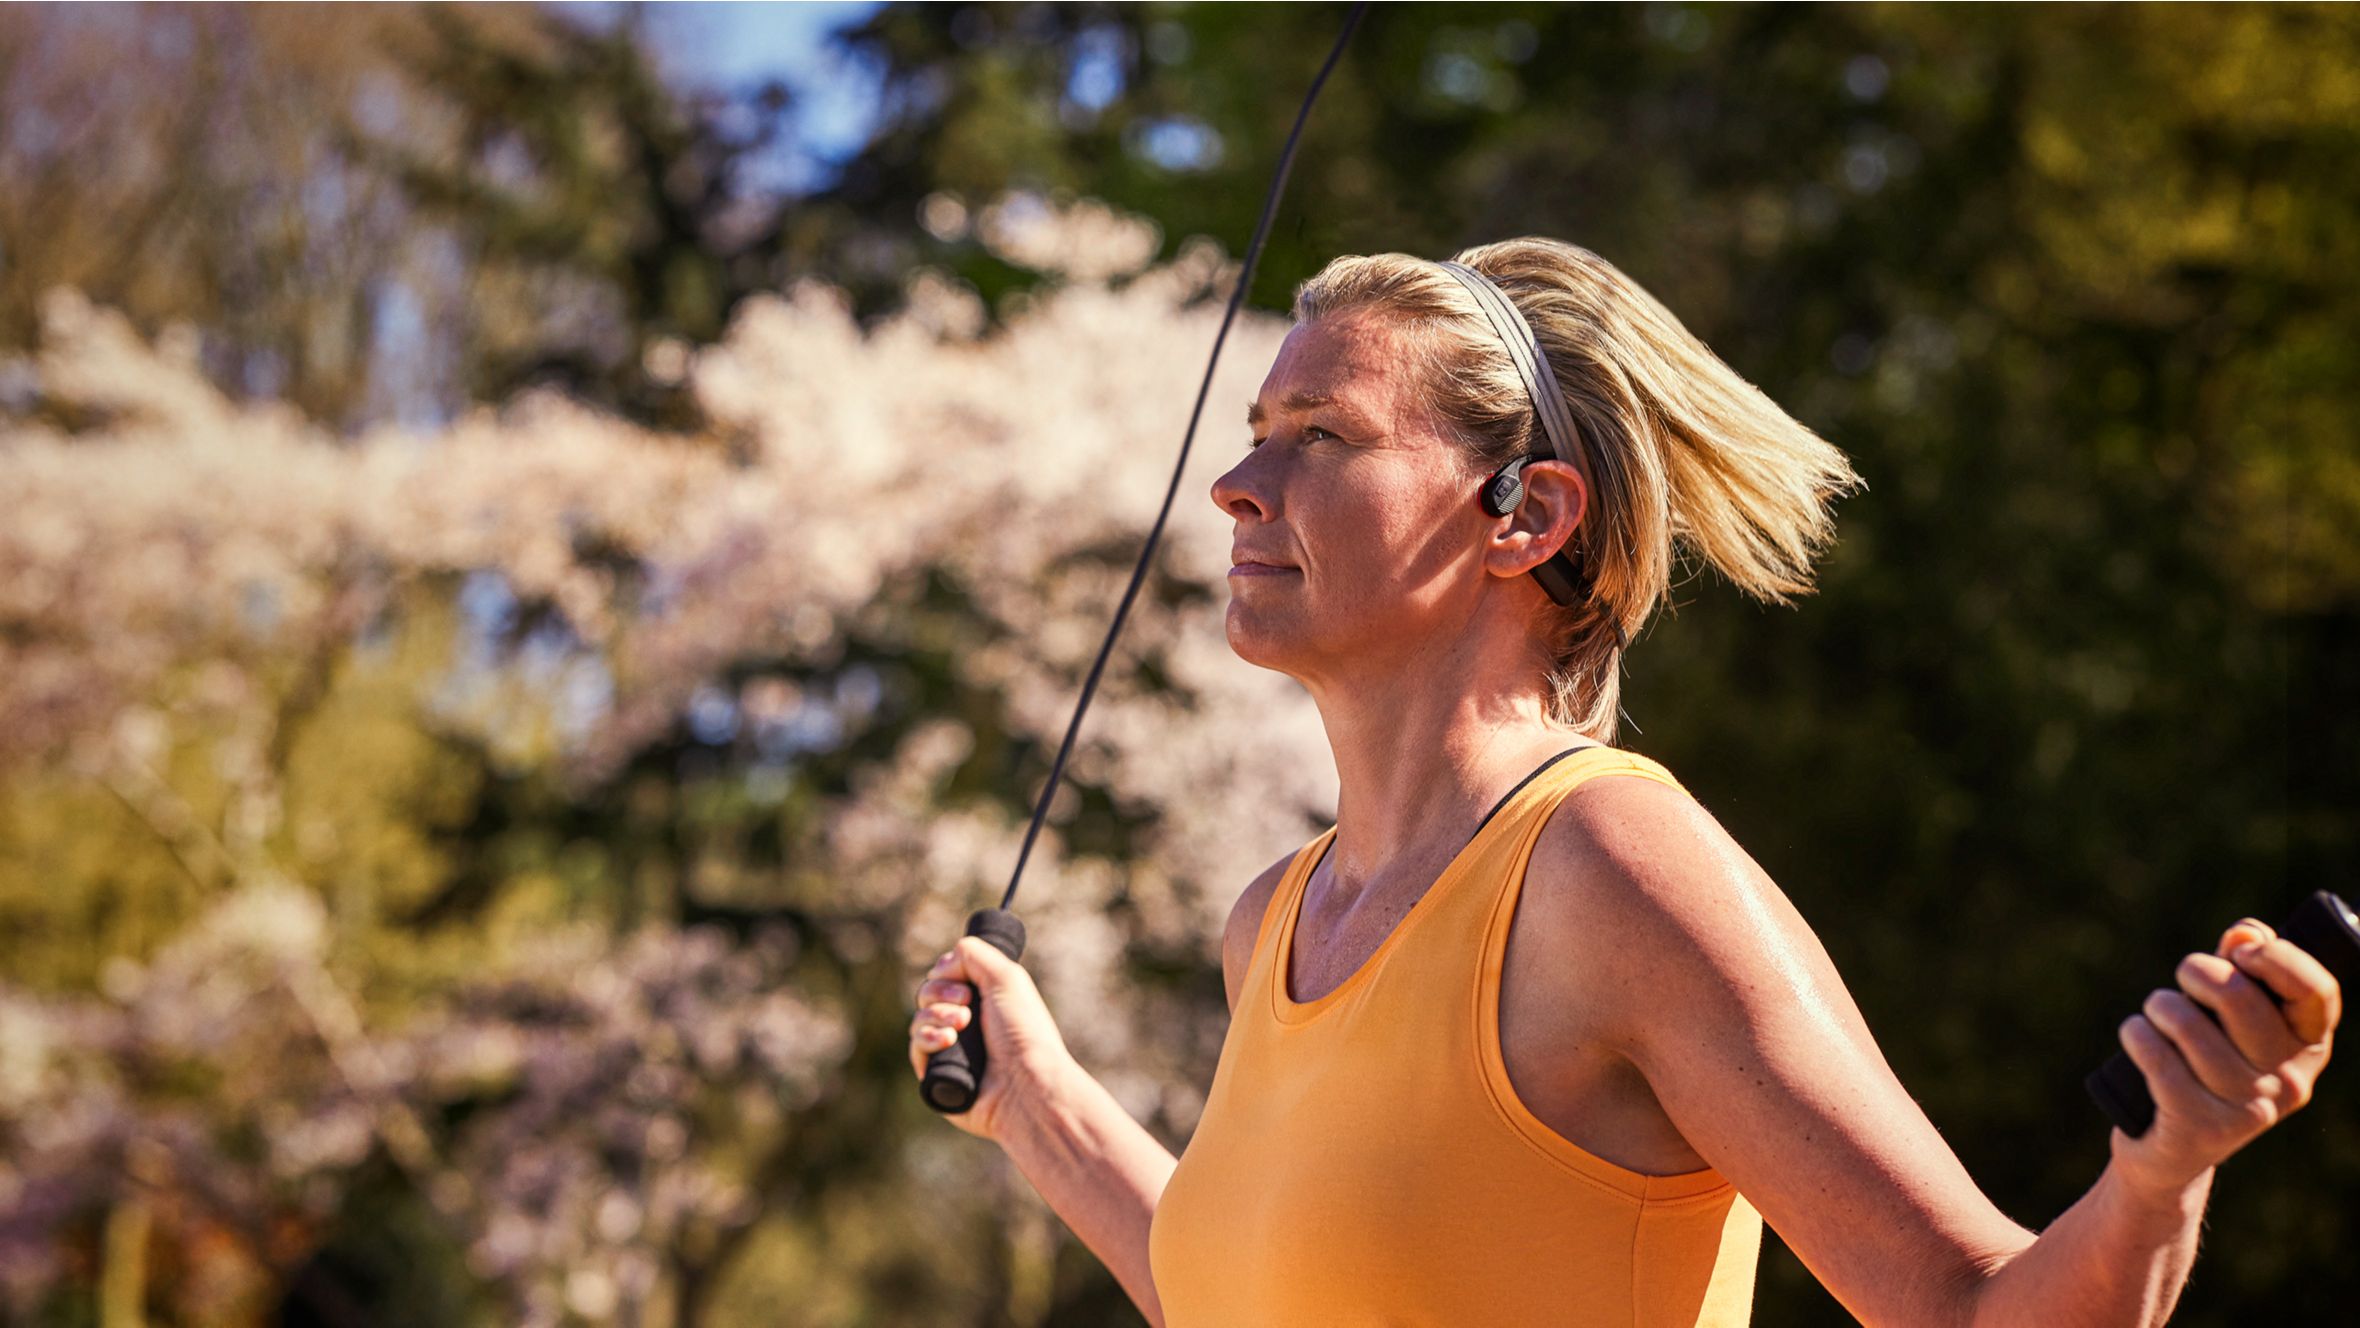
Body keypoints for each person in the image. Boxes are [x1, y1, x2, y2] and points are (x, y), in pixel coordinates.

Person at [904, 238, 2342, 1326]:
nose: (1236, 482)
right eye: (1258, 429)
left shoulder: (1609, 866)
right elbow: (1251, 1292)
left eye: (1321, 434)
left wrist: (2161, 1177)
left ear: (1524, 514)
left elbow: (1966, 1308)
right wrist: (1034, 1103)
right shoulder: (1272, 921)